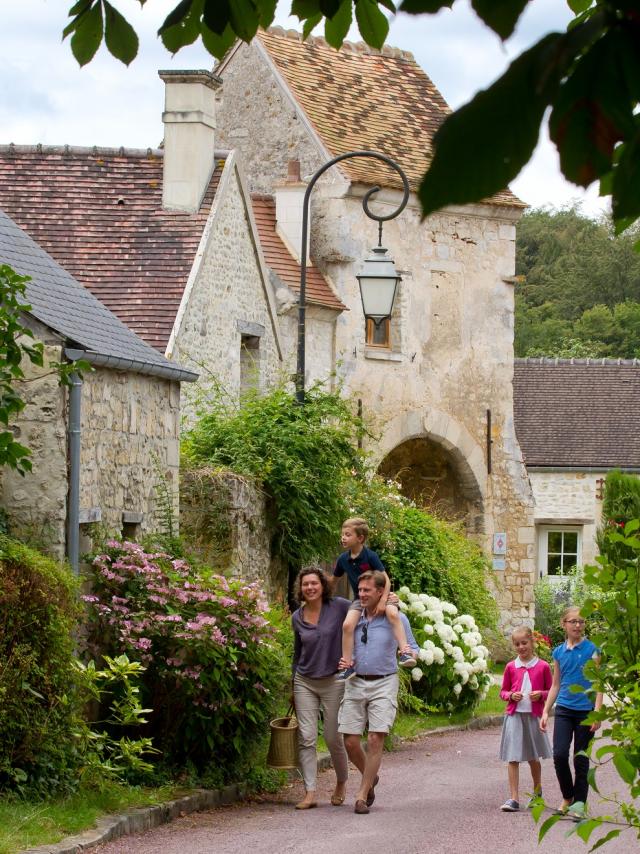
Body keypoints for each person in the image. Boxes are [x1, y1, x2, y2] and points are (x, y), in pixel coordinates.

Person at [338, 570, 420, 814]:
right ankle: (370, 777)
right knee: (350, 741)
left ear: (381, 592)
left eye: (367, 590)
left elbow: (412, 647)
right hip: (355, 681)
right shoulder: (354, 619)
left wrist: (408, 654)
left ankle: (362, 794)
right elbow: (344, 644)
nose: (361, 594)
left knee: (375, 738)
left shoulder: (396, 619)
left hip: (384, 681)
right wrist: (343, 662)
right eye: (360, 590)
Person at [291, 566, 350, 810]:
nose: (310, 588)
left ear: (322, 585)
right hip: (304, 680)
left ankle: (341, 782)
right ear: (301, 589)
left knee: (332, 736)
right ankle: (310, 792)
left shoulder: (339, 606)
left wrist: (388, 597)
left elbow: (365, 607)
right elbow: (297, 653)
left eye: (314, 583)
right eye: (306, 584)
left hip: (334, 680)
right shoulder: (297, 616)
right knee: (306, 738)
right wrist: (291, 685)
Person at [540, 606, 603, 821]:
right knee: (559, 755)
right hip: (565, 709)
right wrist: (546, 711)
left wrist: (597, 713)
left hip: (586, 711)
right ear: (564, 624)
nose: (578, 625)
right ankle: (567, 797)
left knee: (580, 759)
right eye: (573, 621)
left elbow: (599, 684)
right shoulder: (558, 652)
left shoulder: (593, 650)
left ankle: (579, 804)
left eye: (581, 621)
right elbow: (556, 685)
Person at [332, 517, 415, 680]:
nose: (343, 538)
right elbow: (333, 581)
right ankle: (347, 666)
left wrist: (384, 600)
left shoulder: (370, 556)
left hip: (381, 594)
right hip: (360, 598)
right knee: (348, 625)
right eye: (342, 534)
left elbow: (386, 580)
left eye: (348, 535)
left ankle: (405, 652)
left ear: (360, 538)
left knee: (392, 614)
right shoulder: (343, 559)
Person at [498, 626, 553, 812]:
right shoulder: (510, 667)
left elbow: (552, 691)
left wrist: (541, 694)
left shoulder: (543, 666)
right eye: (517, 644)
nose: (521, 647)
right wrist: (510, 696)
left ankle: (537, 794)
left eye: (524, 643)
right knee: (512, 757)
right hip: (514, 716)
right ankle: (514, 798)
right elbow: (503, 691)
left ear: (532, 642)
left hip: (533, 716)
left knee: (532, 756)